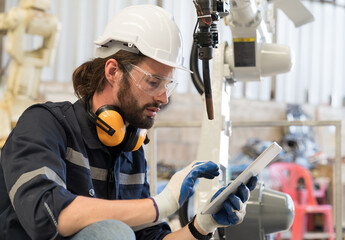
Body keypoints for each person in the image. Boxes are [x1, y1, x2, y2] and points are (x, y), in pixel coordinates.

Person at [0, 4, 257, 240]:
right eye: (153, 82)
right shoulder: (44, 125)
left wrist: (202, 225)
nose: (164, 97)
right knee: (113, 232)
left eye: (168, 85)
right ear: (112, 71)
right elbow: (48, 215)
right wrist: (162, 203)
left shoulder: (131, 152)